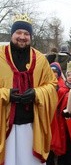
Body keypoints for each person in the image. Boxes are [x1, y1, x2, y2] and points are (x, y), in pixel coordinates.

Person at [0, 14, 58, 165]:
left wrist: (36, 93)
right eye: (18, 32)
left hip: (32, 126)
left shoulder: (40, 59)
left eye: (26, 34)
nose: (22, 37)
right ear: (12, 34)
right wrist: (6, 94)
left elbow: (52, 85)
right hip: (4, 126)